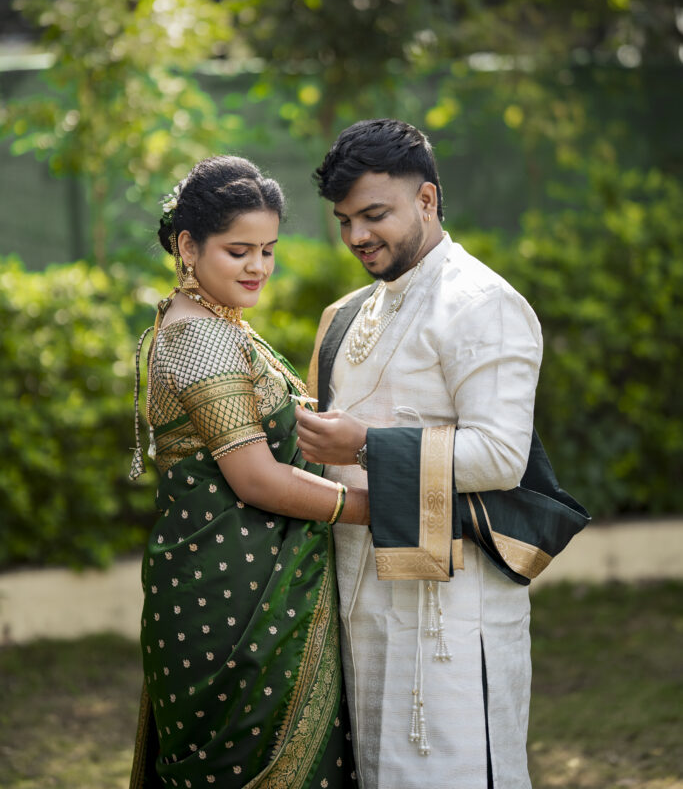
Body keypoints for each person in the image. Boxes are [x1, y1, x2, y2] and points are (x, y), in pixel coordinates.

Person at [295, 119, 546, 789]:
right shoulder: (351, 312)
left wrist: (364, 445)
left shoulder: (480, 303)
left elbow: (501, 455)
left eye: (374, 215)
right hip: (361, 599)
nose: (356, 236)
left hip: (451, 613)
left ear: (427, 200)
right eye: (344, 221)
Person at [128, 155, 368, 789]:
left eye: (268, 250)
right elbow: (255, 479)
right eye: (239, 251)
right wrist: (375, 507)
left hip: (227, 584)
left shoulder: (206, 321)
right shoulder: (202, 338)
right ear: (188, 246)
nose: (258, 267)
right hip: (237, 602)